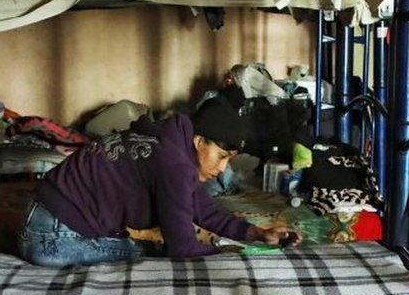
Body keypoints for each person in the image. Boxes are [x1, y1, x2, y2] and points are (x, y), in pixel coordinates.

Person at [18, 100, 302, 267]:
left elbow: (205, 211)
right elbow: (182, 249)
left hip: (39, 218)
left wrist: (257, 234)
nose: (222, 168)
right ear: (199, 141)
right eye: (221, 156)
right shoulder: (174, 164)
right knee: (146, 253)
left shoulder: (170, 142)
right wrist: (231, 253)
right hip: (50, 237)